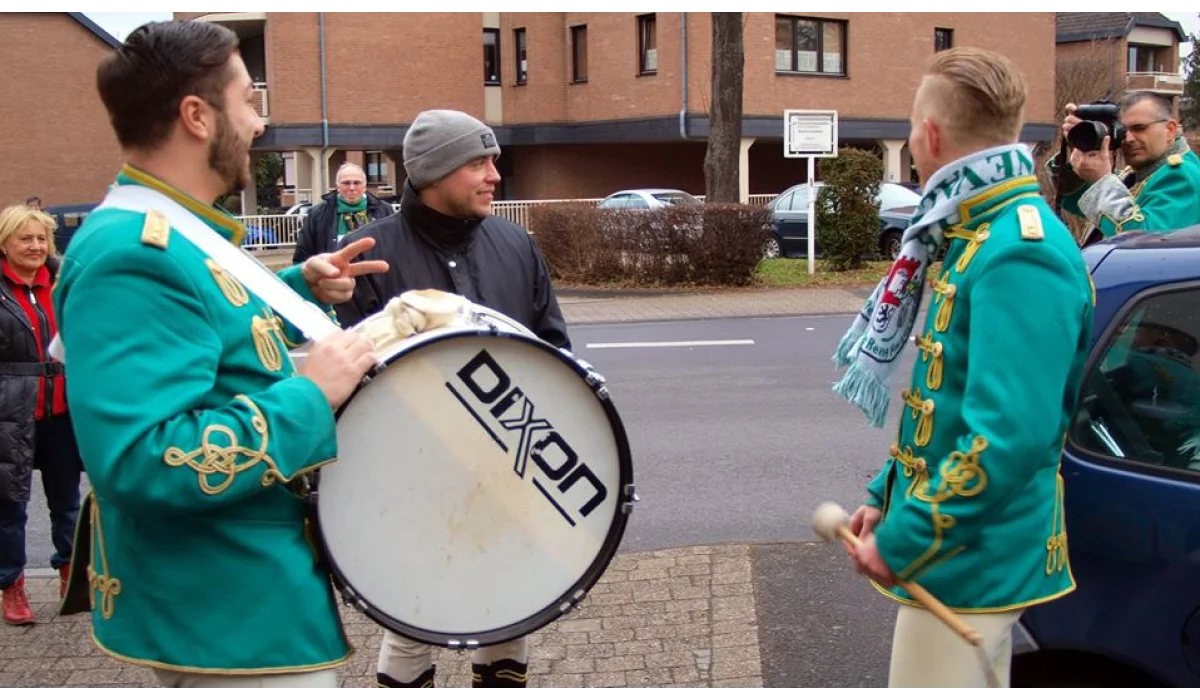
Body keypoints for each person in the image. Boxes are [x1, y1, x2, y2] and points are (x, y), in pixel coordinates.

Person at [51, 20, 386, 688]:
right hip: (228, 615)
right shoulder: (131, 253)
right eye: (248, 102)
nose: (260, 124)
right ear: (197, 116)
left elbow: (202, 327)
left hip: (235, 594)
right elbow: (142, 458)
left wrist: (298, 285)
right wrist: (310, 394)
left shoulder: (173, 228)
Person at [830, 46, 1095, 688]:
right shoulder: (981, 230)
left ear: (930, 134)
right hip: (964, 552)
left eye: (911, 130)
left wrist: (906, 537)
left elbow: (1007, 435)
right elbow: (943, 402)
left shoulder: (1015, 250)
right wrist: (884, 497)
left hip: (975, 560)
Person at [333, 108, 571, 688]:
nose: (494, 174)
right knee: (414, 619)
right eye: (478, 162)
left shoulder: (516, 244)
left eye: (494, 160)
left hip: (509, 475)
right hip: (412, 484)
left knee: (510, 613)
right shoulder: (368, 252)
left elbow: (554, 354)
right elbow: (361, 385)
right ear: (435, 172)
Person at [0, 204, 84, 626]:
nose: (35, 246)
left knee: (67, 502)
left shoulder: (67, 281)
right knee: (10, 506)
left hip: (63, 411)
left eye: (41, 239)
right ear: (5, 243)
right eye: (25, 238)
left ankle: (70, 572)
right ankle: (11, 584)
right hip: (9, 413)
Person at [1055, 90, 1200, 244]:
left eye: (1140, 128)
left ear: (1169, 130)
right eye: (1123, 131)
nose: (1129, 139)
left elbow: (1143, 240)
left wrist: (1102, 181)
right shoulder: (1144, 171)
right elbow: (1080, 200)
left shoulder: (1180, 175)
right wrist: (1082, 144)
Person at [291, 162, 395, 265]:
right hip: (332, 277)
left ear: (365, 186)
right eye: (346, 183)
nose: (351, 188)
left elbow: (395, 248)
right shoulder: (318, 214)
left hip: (375, 277)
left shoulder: (384, 211)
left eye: (357, 183)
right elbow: (302, 255)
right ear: (337, 186)